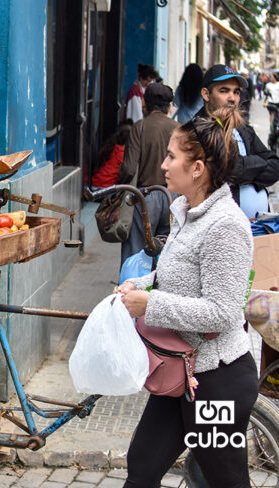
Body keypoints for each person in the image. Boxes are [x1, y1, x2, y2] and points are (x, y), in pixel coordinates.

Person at [116, 105, 257, 486]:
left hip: (218, 382)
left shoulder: (226, 226)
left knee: (226, 481)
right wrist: (139, 287)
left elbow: (223, 312)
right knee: (142, 466)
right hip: (179, 370)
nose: (163, 165)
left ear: (197, 169)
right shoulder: (186, 211)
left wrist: (151, 305)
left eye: (171, 156)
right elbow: (172, 277)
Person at [194, 64, 279, 219]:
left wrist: (246, 176)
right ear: (206, 94)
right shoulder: (199, 128)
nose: (232, 98)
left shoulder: (241, 126)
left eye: (236, 92)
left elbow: (275, 164)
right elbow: (228, 168)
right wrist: (258, 163)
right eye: (224, 91)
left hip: (254, 226)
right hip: (220, 223)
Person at [117, 82, 179, 265]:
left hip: (145, 197)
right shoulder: (179, 129)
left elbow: (128, 169)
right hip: (173, 197)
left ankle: (131, 291)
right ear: (168, 107)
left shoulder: (140, 127)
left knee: (136, 253)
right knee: (168, 252)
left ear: (145, 103)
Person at [90, 120, 131, 189]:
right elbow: (126, 172)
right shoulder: (122, 153)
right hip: (107, 188)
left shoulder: (110, 147)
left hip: (95, 184)